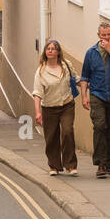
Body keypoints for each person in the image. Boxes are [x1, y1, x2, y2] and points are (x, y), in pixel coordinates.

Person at [79, 22, 110, 178]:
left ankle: (109, 164)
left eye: (109, 35)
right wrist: (84, 96)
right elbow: (85, 76)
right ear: (98, 35)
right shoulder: (91, 53)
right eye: (103, 35)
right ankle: (100, 164)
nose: (106, 37)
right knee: (100, 126)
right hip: (97, 95)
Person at [33, 40, 78, 176]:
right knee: (51, 137)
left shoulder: (66, 65)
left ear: (58, 52)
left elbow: (75, 78)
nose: (50, 51)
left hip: (67, 105)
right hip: (49, 108)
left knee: (67, 131)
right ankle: (54, 166)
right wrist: (38, 112)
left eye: (53, 48)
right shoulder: (41, 71)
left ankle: (70, 165)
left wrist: (86, 85)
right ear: (45, 52)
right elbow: (37, 93)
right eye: (48, 49)